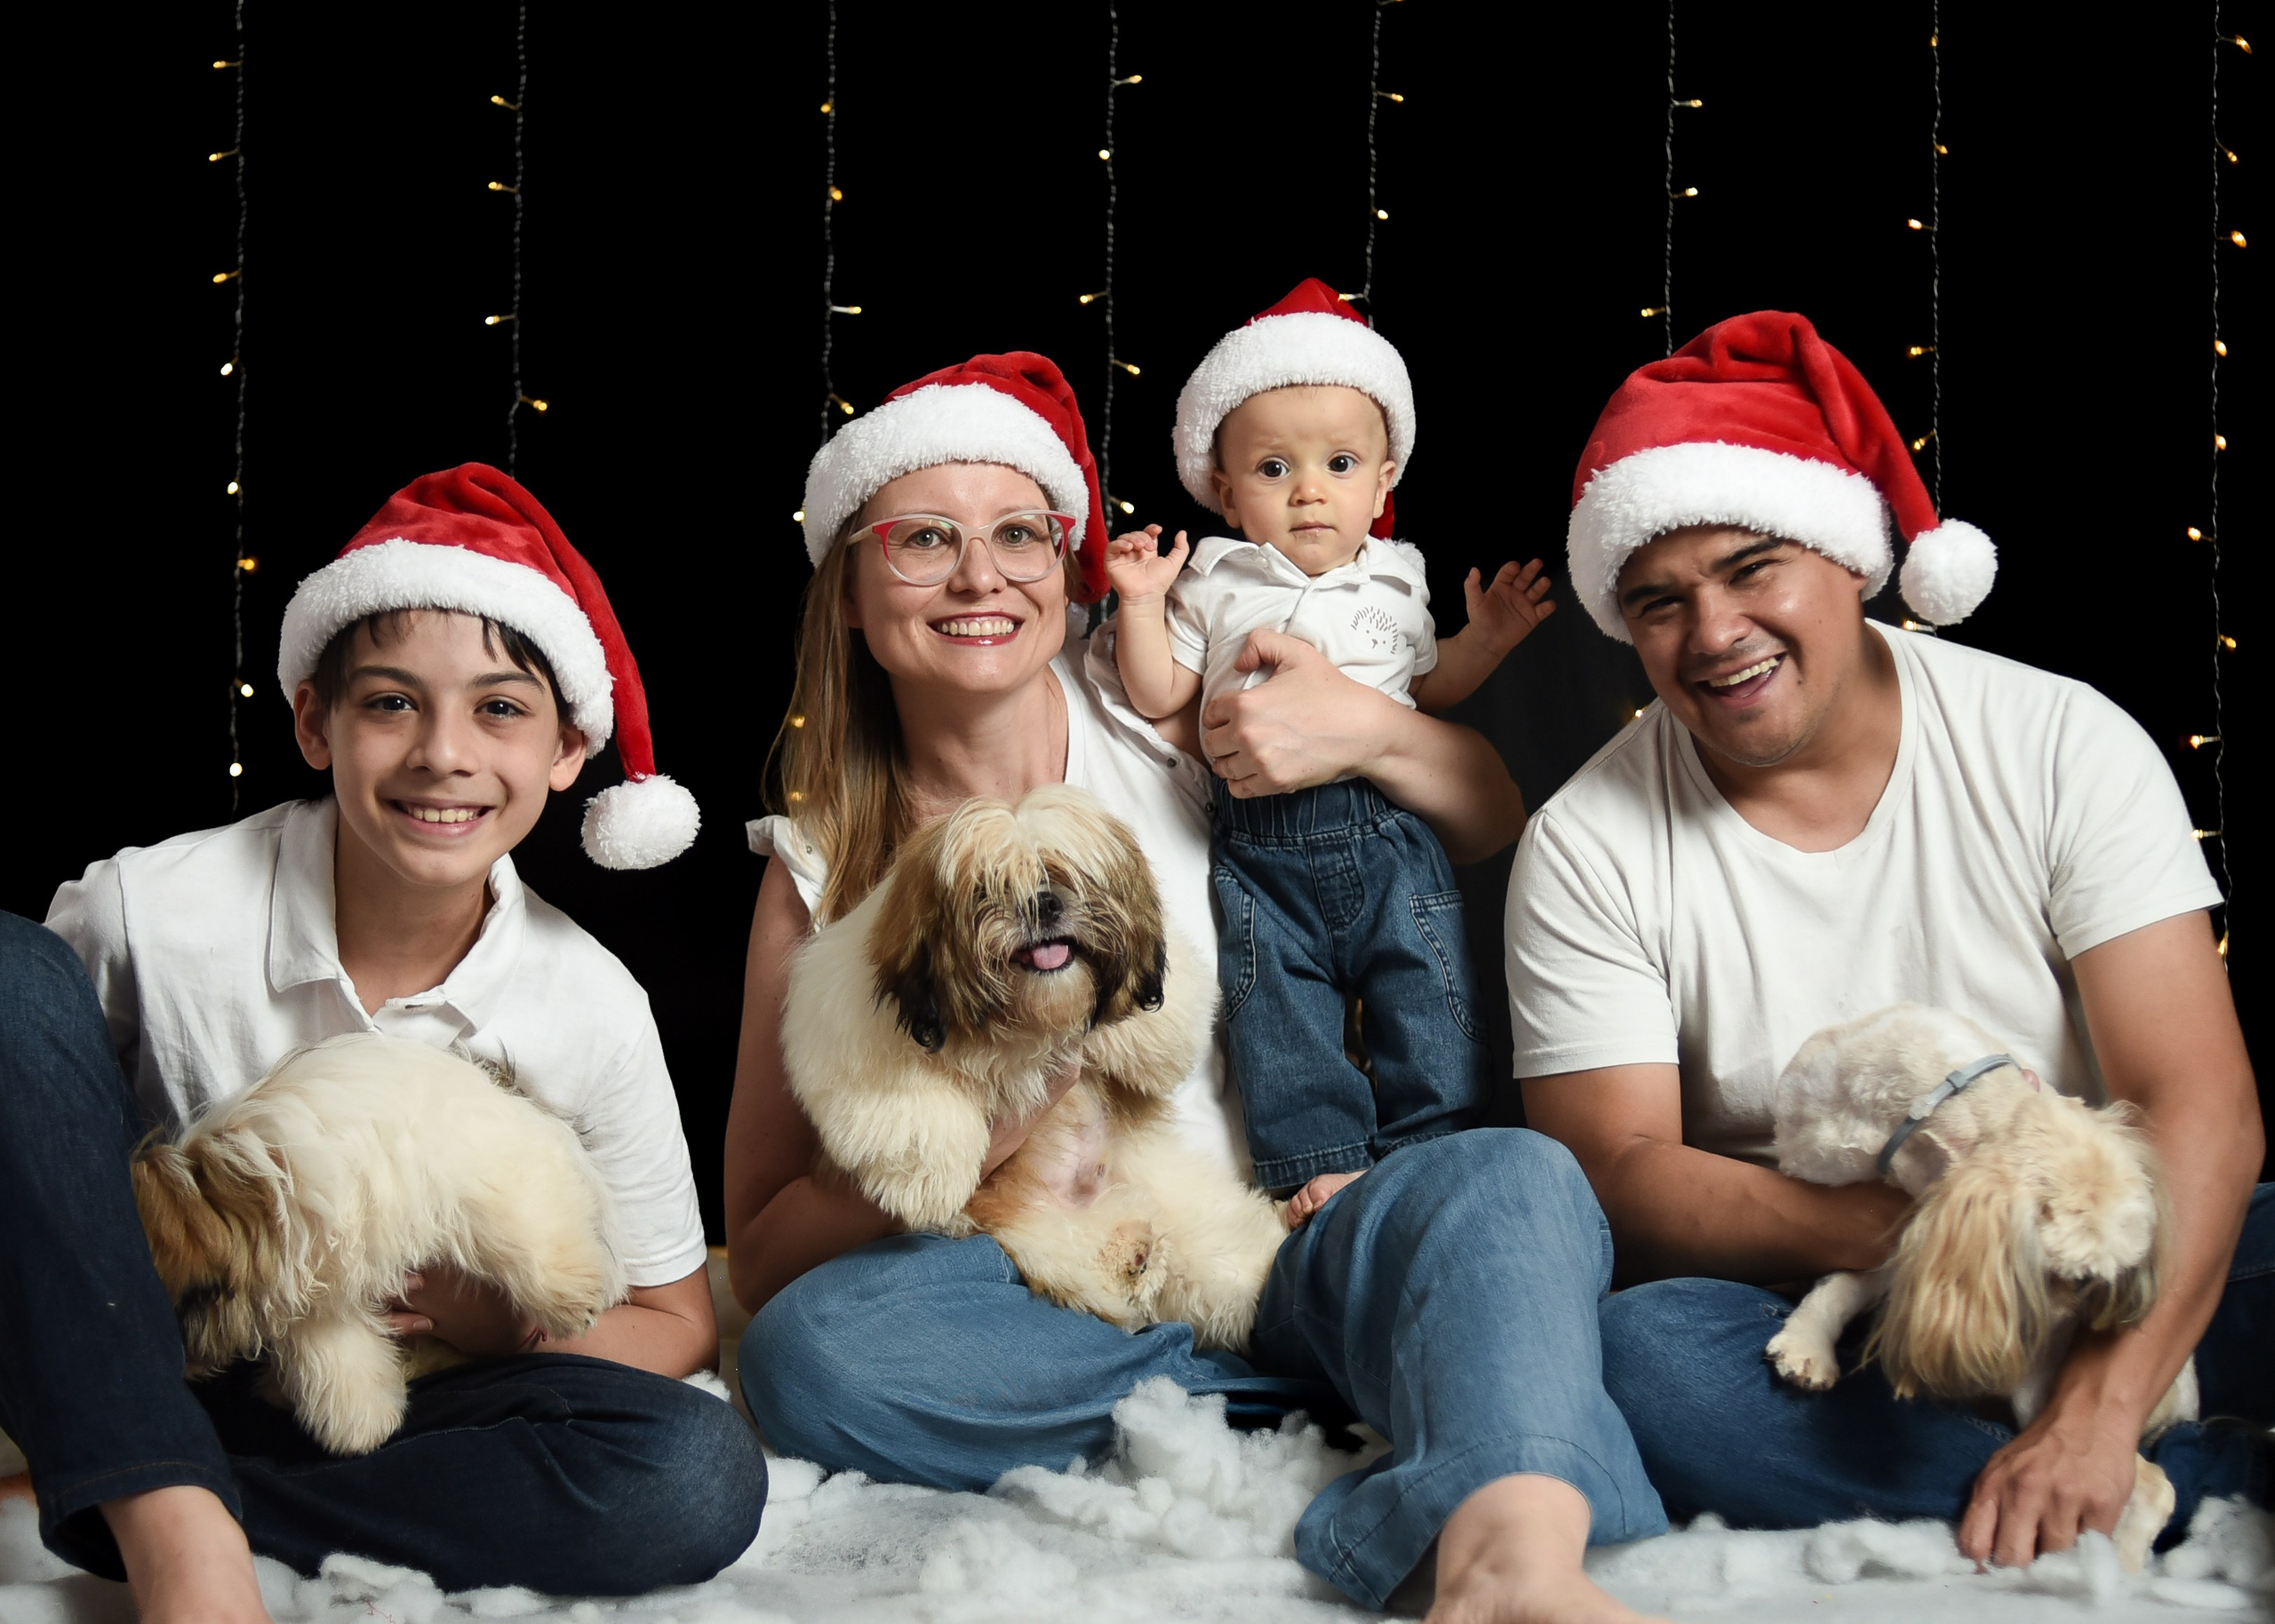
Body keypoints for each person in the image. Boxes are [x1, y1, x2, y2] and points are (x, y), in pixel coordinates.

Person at [726, 350, 1666, 1621]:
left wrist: (1374, 728)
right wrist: (970, 1132)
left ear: (1066, 570)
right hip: (1046, 1296)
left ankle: (1503, 1551)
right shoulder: (819, 864)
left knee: (1516, 1179)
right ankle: (1381, 1395)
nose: (977, 577)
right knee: (811, 1351)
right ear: (847, 585)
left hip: (1296, 1229)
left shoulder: (1170, 708)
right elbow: (772, 1252)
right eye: (921, 540)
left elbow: (1490, 811)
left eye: (1016, 535)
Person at [1505, 311, 2270, 1568]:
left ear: (1850, 559)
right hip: (1837, 1296)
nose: (1711, 635)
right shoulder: (1589, 840)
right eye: (1660, 602)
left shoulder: (2059, 739)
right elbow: (1620, 1170)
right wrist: (1925, 1236)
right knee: (1644, 1361)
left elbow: (2197, 1100)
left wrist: (2094, 1394)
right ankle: (2173, 1478)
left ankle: (2090, 1451)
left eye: (1754, 569)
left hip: (2100, 1247)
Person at [1, 465, 764, 1620]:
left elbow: (677, 1317)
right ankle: (168, 1518)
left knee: (694, 1473)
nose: (443, 754)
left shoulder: (590, 1002)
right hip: (146, 1348)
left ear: (567, 751)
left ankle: (152, 1493)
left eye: (501, 709)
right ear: (315, 720)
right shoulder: (146, 912)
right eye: (392, 703)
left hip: (387, 1399)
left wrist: (495, 1322)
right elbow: (32, 1133)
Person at [1106, 278, 1556, 1219]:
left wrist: (1491, 641)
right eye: (1273, 470)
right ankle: (1319, 1159)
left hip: (1388, 829)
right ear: (1224, 490)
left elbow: (1426, 688)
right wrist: (1143, 603)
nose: (1309, 488)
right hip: (1260, 845)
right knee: (1276, 1003)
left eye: (1341, 463)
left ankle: (1436, 1145)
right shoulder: (1217, 581)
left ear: (1384, 480)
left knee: (1429, 985)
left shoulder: (1396, 578)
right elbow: (1161, 695)